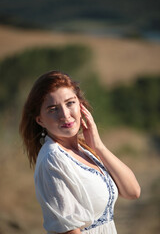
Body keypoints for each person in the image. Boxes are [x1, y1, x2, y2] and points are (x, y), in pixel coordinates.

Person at [19, 70, 140, 234]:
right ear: (40, 120)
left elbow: (132, 191)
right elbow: (68, 230)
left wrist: (98, 146)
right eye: (53, 109)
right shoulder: (53, 158)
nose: (65, 115)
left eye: (70, 103)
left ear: (80, 105)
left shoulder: (85, 150)